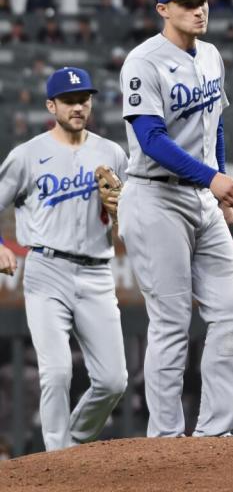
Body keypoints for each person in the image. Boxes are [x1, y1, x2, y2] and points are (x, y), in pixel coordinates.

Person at [117, 0, 233, 438]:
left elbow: (214, 127)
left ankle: (214, 435)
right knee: (172, 320)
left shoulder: (211, 55)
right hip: (154, 197)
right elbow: (151, 139)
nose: (200, 9)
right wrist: (213, 179)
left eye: (204, 0)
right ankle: (166, 440)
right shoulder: (143, 62)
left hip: (203, 199)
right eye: (188, 3)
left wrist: (226, 204)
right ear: (163, 9)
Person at [0, 67, 128, 450]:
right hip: (46, 269)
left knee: (113, 381)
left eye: (83, 99)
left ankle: (73, 438)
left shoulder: (112, 153)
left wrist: (125, 209)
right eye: (69, 101)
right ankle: (58, 456)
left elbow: (131, 218)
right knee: (55, 373)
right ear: (50, 105)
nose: (78, 106)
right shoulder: (27, 155)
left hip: (97, 272)